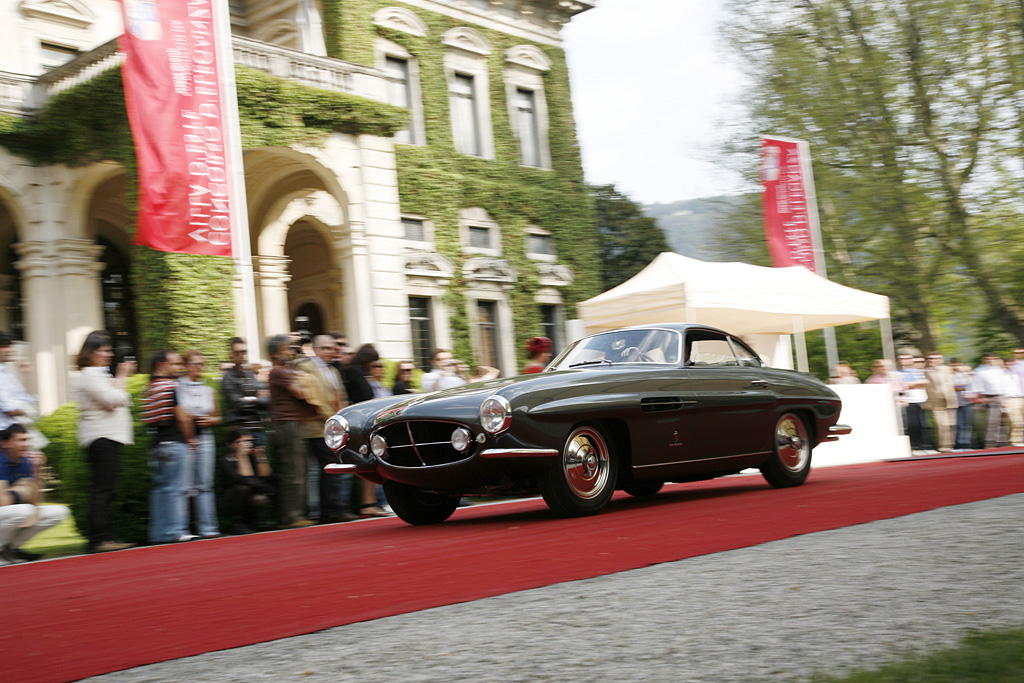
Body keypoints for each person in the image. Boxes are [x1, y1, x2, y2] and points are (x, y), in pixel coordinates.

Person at [74, 330, 136, 553]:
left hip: (107, 437)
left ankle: (104, 536)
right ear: (91, 352)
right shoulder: (90, 374)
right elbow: (112, 400)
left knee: (106, 490)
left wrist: (119, 387)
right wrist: (123, 378)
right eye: (105, 350)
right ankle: (99, 539)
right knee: (102, 490)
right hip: (101, 438)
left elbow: (117, 398)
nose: (110, 354)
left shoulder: (98, 374)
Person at [294, 335, 355, 523]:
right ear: (316, 349)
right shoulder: (305, 368)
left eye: (332, 348)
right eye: (326, 348)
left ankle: (334, 509)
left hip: (334, 428)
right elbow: (314, 399)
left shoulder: (334, 371)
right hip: (316, 427)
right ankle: (329, 511)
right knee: (328, 467)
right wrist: (332, 419)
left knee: (334, 468)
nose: (330, 351)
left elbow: (341, 396)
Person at [141, 350, 195, 544]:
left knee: (160, 490)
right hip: (174, 443)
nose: (178, 368)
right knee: (176, 489)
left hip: (157, 445)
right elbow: (182, 417)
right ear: (161, 365)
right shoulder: (171, 386)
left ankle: (158, 533)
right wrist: (190, 439)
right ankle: (176, 531)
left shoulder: (149, 388)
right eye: (174, 364)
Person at [0, 424, 70, 564]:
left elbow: (36, 502)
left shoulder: (26, 461)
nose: (26, 445)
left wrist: (38, 470)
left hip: (11, 509)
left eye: (27, 440)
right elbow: (3, 502)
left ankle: (10, 549)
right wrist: (21, 492)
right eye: (20, 440)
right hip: (6, 507)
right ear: (6, 443)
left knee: (59, 511)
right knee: (24, 510)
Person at [267, 334, 316, 528]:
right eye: (287, 348)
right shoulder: (278, 371)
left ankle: (295, 514)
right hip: (287, 424)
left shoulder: (286, 370)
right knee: (293, 471)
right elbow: (300, 392)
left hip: (293, 423)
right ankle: (292, 516)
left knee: (298, 469)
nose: (291, 352)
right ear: (275, 353)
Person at [340, 344, 391, 518]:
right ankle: (367, 504)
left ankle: (368, 503)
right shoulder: (355, 372)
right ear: (369, 361)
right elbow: (365, 394)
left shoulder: (352, 371)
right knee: (369, 463)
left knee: (368, 463)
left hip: (358, 421)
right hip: (361, 422)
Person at [177, 350, 221, 538]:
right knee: (186, 486)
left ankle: (209, 528)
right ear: (186, 366)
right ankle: (184, 529)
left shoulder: (208, 390)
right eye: (195, 364)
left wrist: (211, 421)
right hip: (184, 439)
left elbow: (218, 416)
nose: (199, 367)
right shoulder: (177, 388)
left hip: (205, 436)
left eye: (202, 364)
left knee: (205, 484)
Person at [217, 428, 274, 534]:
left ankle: (257, 522)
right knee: (242, 487)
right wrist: (241, 457)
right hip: (229, 500)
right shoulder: (226, 460)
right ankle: (238, 523)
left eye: (249, 441)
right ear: (232, 444)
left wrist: (260, 456)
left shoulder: (251, 457)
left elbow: (266, 475)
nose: (248, 445)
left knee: (260, 497)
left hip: (249, 498)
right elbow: (242, 479)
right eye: (243, 442)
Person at [221, 337, 270, 455]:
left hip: (257, 429)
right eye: (237, 352)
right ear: (231, 354)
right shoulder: (228, 378)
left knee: (262, 468)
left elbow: (267, 401)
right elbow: (238, 404)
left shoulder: (250, 376)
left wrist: (249, 399)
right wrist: (257, 399)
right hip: (240, 432)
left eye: (243, 352)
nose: (241, 355)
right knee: (245, 469)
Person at [972, 352, 1009, 449]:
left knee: (1003, 421)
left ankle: (1002, 443)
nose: (991, 361)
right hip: (989, 397)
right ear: (984, 359)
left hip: (1002, 396)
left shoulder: (1000, 370)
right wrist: (981, 399)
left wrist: (1005, 398)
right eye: (988, 359)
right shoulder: (980, 371)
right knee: (992, 422)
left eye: (993, 358)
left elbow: (1005, 384)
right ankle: (990, 443)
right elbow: (977, 386)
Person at [898, 354, 933, 454]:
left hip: (921, 399)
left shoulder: (917, 371)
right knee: (912, 425)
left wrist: (911, 384)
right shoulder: (898, 373)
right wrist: (915, 383)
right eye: (902, 359)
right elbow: (901, 385)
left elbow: (926, 382)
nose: (904, 361)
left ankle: (926, 446)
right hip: (908, 401)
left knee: (924, 424)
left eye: (907, 359)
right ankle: (916, 447)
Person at [924, 353, 958, 453]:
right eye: (930, 359)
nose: (932, 361)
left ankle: (950, 445)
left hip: (949, 399)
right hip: (935, 401)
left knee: (951, 424)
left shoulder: (947, 369)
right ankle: (943, 446)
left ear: (941, 360)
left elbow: (966, 369)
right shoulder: (925, 372)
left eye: (935, 359)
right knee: (941, 424)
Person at [950, 359, 975, 450]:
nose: (956, 367)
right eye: (954, 365)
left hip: (967, 403)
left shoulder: (968, 374)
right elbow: (952, 386)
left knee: (967, 424)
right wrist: (961, 387)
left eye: (957, 364)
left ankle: (967, 444)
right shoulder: (950, 375)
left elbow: (971, 383)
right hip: (955, 403)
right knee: (958, 425)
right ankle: (958, 444)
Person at [1004, 348, 1024, 447]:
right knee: (1018, 422)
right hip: (1011, 399)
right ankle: (1016, 442)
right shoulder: (1003, 375)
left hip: (1021, 397)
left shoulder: (1020, 370)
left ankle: (1012, 441)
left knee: (1015, 423)